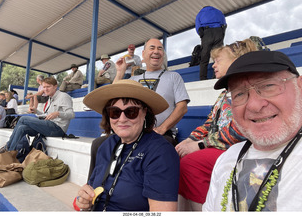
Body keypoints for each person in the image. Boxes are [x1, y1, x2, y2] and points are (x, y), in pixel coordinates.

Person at [203, 50, 302, 211]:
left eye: (269, 85)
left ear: (300, 87)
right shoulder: (226, 159)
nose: (254, 105)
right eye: (240, 94)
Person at [88, 38, 189, 177]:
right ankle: (92, 188)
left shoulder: (173, 77)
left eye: (160, 48)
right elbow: (114, 96)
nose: (156, 51)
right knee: (98, 144)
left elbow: (182, 107)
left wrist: (162, 128)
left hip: (159, 133)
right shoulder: (134, 79)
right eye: (152, 48)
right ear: (143, 54)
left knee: (166, 144)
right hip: (131, 132)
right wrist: (120, 72)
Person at [176, 39, 257, 211]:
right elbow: (209, 123)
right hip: (218, 147)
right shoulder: (223, 94)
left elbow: (239, 130)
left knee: (191, 163)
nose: (213, 65)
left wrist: (200, 144)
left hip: (238, 149)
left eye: (218, 61)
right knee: (178, 157)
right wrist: (189, 140)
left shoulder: (248, 89)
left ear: (236, 60)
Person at [74, 79, 180, 211]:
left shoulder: (160, 152)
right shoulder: (105, 145)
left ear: (144, 112)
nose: (122, 119)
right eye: (115, 112)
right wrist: (83, 200)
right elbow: (90, 188)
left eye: (131, 112)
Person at [0, 77, 75, 153]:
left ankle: (7, 147)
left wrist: (58, 113)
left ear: (55, 86)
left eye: (48, 87)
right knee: (22, 128)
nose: (45, 89)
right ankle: (10, 152)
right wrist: (36, 111)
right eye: (44, 87)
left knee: (23, 119)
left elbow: (71, 114)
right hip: (49, 126)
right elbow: (48, 115)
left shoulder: (63, 96)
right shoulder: (50, 98)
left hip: (57, 129)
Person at [195, 6, 227, 80]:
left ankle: (203, 78)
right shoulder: (219, 11)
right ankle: (216, 76)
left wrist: (201, 34)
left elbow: (198, 25)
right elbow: (224, 23)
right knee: (218, 56)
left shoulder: (200, 13)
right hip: (218, 31)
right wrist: (222, 33)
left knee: (204, 57)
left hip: (207, 33)